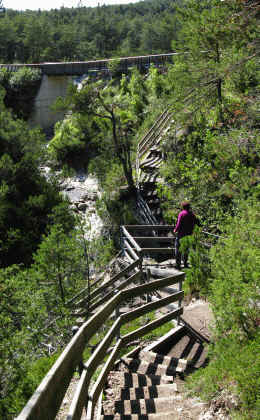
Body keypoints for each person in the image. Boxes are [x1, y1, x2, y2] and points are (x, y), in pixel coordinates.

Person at [174, 201, 199, 269]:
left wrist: (175, 230)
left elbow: (178, 223)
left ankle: (178, 265)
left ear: (183, 207)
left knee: (178, 249)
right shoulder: (192, 214)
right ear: (189, 207)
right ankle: (185, 263)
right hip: (189, 235)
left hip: (181, 234)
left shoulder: (181, 213)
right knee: (186, 249)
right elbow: (197, 222)